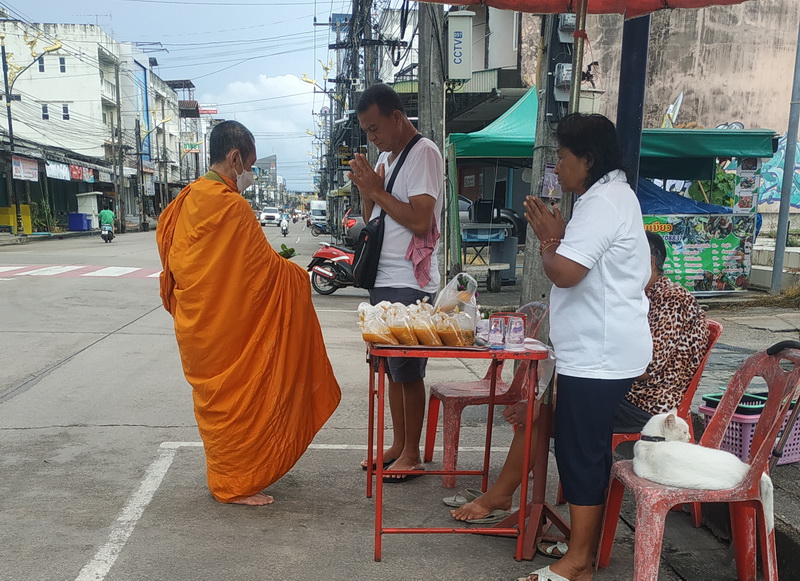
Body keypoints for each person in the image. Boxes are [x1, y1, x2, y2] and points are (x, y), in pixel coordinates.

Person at [450, 232, 710, 535]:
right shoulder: (642, 296)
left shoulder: (670, 299)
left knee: (540, 416)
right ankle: (505, 493)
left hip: (644, 405)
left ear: (648, 262)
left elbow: (642, 367)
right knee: (540, 408)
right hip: (621, 391)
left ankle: (502, 496)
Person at [156, 120, 341, 506]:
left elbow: (184, 267)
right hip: (227, 332)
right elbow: (262, 273)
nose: (250, 175)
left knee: (220, 406)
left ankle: (227, 475)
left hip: (200, 328)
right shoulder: (231, 208)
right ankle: (236, 482)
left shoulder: (184, 202)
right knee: (237, 403)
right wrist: (295, 276)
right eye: (251, 166)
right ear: (235, 158)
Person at [517, 113, 653, 581]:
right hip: (600, 352)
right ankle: (582, 548)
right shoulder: (613, 197)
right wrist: (559, 239)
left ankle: (578, 560)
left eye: (562, 157)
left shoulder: (603, 204)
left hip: (599, 356)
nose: (556, 167)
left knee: (580, 452)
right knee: (583, 448)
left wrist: (549, 240)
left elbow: (565, 272)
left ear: (588, 160)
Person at [347, 83, 443, 481]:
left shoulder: (423, 153)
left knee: (408, 371)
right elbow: (372, 215)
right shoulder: (387, 157)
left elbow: (420, 220)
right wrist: (367, 191)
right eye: (366, 131)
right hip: (383, 278)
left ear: (397, 117)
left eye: (375, 128)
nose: (372, 137)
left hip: (409, 280)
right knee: (391, 368)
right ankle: (400, 444)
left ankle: (413, 454)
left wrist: (376, 190)